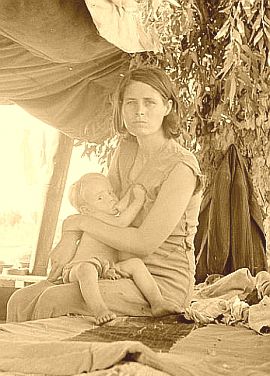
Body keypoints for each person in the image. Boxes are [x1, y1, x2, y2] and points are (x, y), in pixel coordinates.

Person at [7, 66, 202, 323]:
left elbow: (144, 243)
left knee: (53, 300)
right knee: (19, 300)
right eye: (130, 102)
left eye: (149, 102)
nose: (139, 111)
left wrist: (76, 222)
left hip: (159, 281)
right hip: (115, 267)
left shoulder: (181, 167)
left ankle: (52, 361)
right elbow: (104, 210)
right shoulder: (126, 150)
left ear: (167, 107)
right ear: (121, 108)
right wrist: (69, 237)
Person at [61, 172, 182, 324]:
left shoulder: (105, 215)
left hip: (106, 268)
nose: (110, 198)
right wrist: (138, 199)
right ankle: (99, 309)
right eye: (100, 198)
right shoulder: (93, 217)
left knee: (135, 264)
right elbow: (121, 222)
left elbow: (120, 210)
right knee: (87, 268)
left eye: (110, 192)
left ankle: (157, 302)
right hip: (78, 268)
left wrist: (129, 192)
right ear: (86, 210)